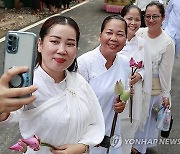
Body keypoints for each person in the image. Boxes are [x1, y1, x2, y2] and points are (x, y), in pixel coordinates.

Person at [0, 15, 105, 154]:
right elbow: (10, 115)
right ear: (40, 44)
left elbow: (95, 121)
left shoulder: (79, 82)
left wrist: (83, 146)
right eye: (55, 41)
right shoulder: (28, 85)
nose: (62, 50)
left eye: (70, 44)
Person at [77, 15, 130, 154]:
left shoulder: (125, 63)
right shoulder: (84, 63)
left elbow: (125, 91)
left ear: (126, 39)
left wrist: (123, 103)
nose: (114, 38)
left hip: (112, 129)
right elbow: (74, 103)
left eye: (120, 34)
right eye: (109, 33)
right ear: (100, 35)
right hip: (87, 133)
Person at [132, 1, 175, 154]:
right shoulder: (139, 33)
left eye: (155, 16)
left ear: (163, 17)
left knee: (144, 124)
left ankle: (137, 149)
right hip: (134, 86)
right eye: (147, 16)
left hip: (152, 91)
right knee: (131, 120)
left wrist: (166, 94)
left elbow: (165, 72)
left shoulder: (167, 42)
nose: (151, 20)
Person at [119, 4, 152, 154]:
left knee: (129, 129)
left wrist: (140, 75)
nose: (133, 23)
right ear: (122, 19)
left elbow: (146, 68)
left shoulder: (142, 43)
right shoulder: (115, 40)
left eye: (137, 19)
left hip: (136, 93)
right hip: (118, 92)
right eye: (129, 19)